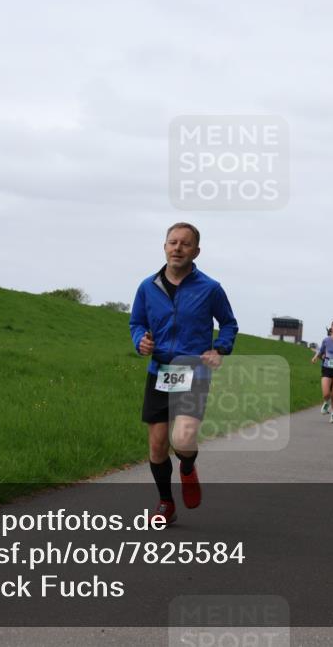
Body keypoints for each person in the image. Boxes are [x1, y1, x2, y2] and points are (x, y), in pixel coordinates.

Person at [130, 222, 238, 526]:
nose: (178, 248)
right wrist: (140, 340)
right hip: (160, 371)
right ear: (164, 247)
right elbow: (136, 322)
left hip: (194, 371)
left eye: (185, 244)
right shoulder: (147, 287)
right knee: (157, 445)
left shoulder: (210, 288)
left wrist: (220, 348)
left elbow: (229, 323)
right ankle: (166, 502)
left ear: (196, 251)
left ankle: (188, 467)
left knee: (183, 439)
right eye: (172, 242)